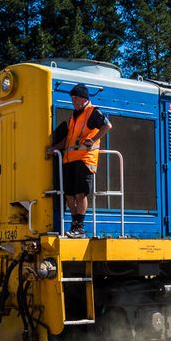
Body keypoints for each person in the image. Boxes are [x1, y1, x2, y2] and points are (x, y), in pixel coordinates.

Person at [45, 83, 112, 238]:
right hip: (69, 159)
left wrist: (93, 140)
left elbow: (107, 126)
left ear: (84, 98)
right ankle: (75, 226)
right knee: (69, 195)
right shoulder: (74, 116)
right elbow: (69, 139)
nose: (73, 101)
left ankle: (79, 228)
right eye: (72, 98)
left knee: (80, 194)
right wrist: (55, 148)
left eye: (75, 98)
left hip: (84, 159)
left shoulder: (92, 112)